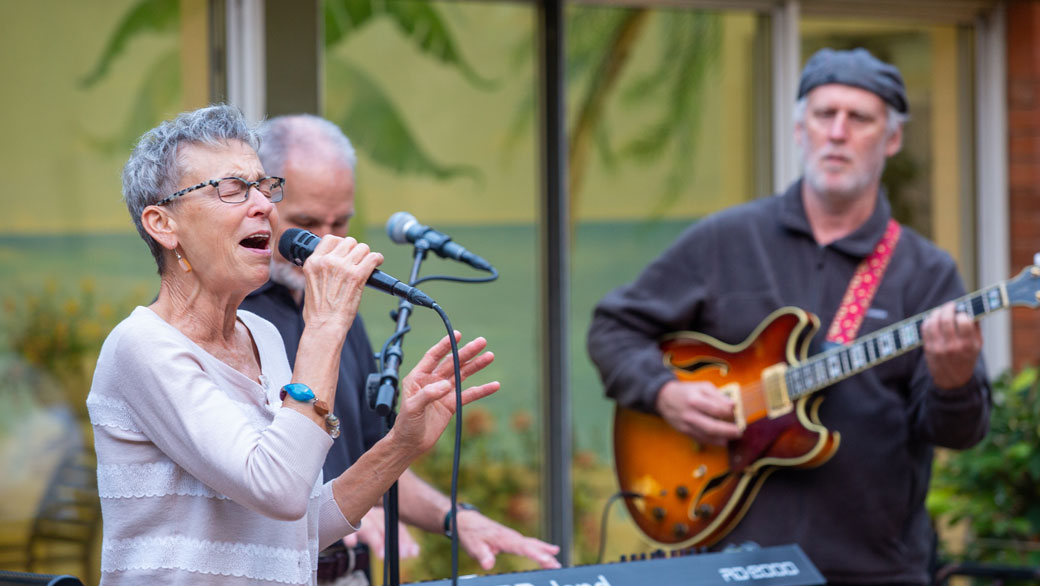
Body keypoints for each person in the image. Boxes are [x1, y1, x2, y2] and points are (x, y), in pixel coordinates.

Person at [586, 48, 990, 585]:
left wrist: (955, 380)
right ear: (800, 129)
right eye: (824, 115)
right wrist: (664, 392)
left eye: (860, 118)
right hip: (729, 563)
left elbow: (958, 432)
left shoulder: (927, 272)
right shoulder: (725, 239)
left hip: (875, 570)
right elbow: (613, 328)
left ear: (891, 140)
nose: (838, 132)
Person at [86, 104, 500, 585]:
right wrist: (324, 323)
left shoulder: (260, 336)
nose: (264, 204)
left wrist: (400, 445)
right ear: (162, 223)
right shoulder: (142, 345)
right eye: (233, 189)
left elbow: (298, 523)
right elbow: (276, 487)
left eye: (264, 186)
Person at [239, 114, 561, 583]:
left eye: (341, 222)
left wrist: (456, 517)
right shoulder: (232, 316)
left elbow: (370, 456)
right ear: (264, 203)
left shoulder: (333, 305)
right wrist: (340, 504)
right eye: (307, 225)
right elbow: (246, 480)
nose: (327, 242)